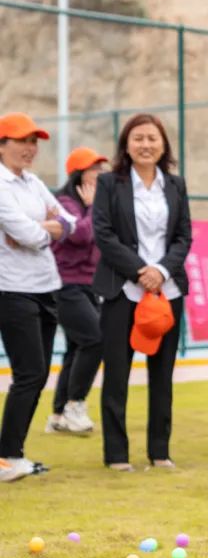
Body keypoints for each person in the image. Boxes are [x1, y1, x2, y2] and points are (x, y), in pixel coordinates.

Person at [93, 114, 191, 470]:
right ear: (126, 145)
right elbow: (104, 235)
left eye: (152, 138)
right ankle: (117, 455)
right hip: (123, 290)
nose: (145, 145)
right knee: (117, 375)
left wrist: (161, 270)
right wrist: (140, 270)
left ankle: (160, 453)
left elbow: (183, 237)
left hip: (168, 292)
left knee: (162, 375)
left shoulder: (176, 185)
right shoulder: (108, 183)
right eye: (138, 138)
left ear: (163, 144)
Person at [0, 113, 74, 482]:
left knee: (38, 373)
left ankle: (13, 454)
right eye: (21, 140)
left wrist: (44, 228)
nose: (30, 148)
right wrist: (45, 229)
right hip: (11, 290)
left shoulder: (33, 182)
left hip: (46, 285)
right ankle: (6, 457)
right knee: (29, 373)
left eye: (34, 141)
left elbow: (70, 221)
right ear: (2, 145)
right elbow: (27, 234)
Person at [46, 147, 109, 435]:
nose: (98, 174)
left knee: (76, 347)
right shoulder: (64, 203)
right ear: (78, 174)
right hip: (65, 285)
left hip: (86, 285)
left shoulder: (91, 204)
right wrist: (94, 207)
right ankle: (74, 405)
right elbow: (81, 235)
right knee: (95, 340)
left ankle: (58, 415)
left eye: (100, 168)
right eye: (92, 168)